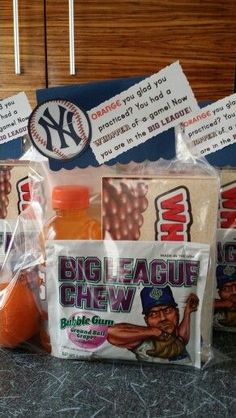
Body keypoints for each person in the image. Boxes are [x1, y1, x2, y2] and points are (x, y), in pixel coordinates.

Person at [107, 285, 199, 363]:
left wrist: (187, 312)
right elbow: (110, 332)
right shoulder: (143, 342)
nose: (163, 318)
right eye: (154, 314)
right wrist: (154, 332)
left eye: (167, 310)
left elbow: (182, 339)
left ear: (177, 312)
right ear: (147, 320)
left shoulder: (175, 337)